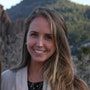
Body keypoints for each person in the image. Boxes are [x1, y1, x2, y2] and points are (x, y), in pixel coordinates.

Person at [1, 7, 88, 90]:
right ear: (26, 37)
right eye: (34, 35)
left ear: (59, 43)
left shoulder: (73, 86)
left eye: (48, 37)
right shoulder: (6, 80)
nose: (39, 44)